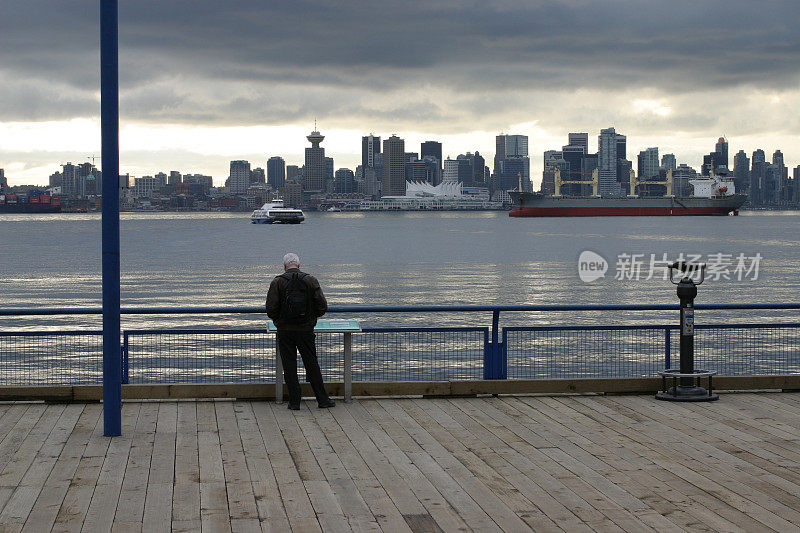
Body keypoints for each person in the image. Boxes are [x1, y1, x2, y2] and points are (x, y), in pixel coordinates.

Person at [266, 252, 335, 410]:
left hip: (285, 330)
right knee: (311, 363)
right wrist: (310, 320)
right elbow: (322, 306)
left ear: (284, 266)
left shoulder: (277, 282)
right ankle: (323, 400)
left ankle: (294, 402)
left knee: (289, 365)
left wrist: (279, 321)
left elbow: (271, 309)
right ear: (299, 265)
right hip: (305, 329)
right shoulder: (310, 280)